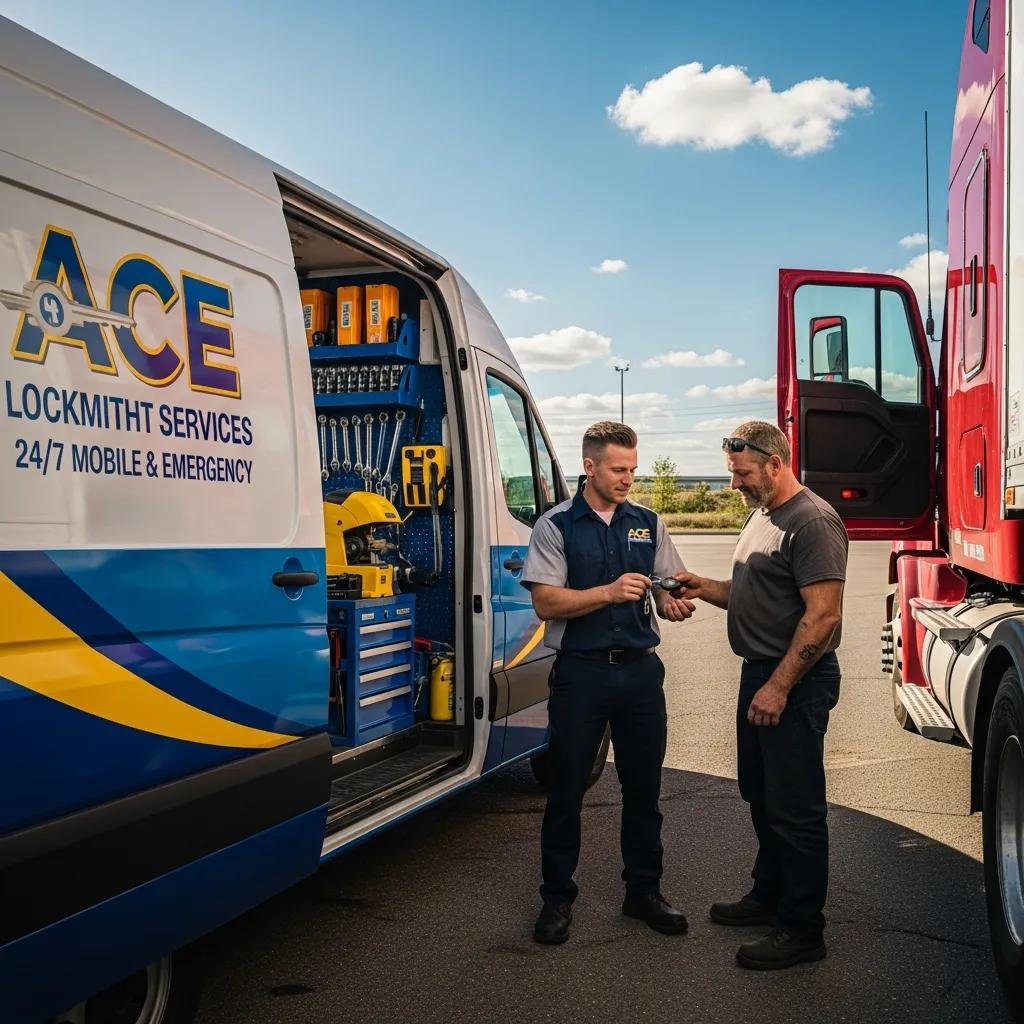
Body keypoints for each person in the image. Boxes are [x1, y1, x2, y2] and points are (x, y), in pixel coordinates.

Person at [676, 420, 848, 970]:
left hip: (793, 683)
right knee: (761, 793)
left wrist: (778, 687)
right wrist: (704, 588)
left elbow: (822, 618)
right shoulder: (763, 516)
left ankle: (801, 929)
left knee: (795, 808)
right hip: (763, 677)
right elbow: (753, 594)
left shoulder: (812, 522)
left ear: (775, 463)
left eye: (742, 474)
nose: (734, 486)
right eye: (731, 474)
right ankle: (768, 893)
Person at [521, 421, 696, 945]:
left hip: (641, 674)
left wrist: (669, 600)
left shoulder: (647, 522)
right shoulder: (555, 526)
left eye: (634, 470)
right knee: (567, 790)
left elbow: (666, 583)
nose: (628, 479)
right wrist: (608, 592)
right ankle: (556, 899)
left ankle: (643, 892)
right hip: (583, 673)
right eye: (619, 470)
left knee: (644, 790)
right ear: (590, 466)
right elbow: (547, 602)